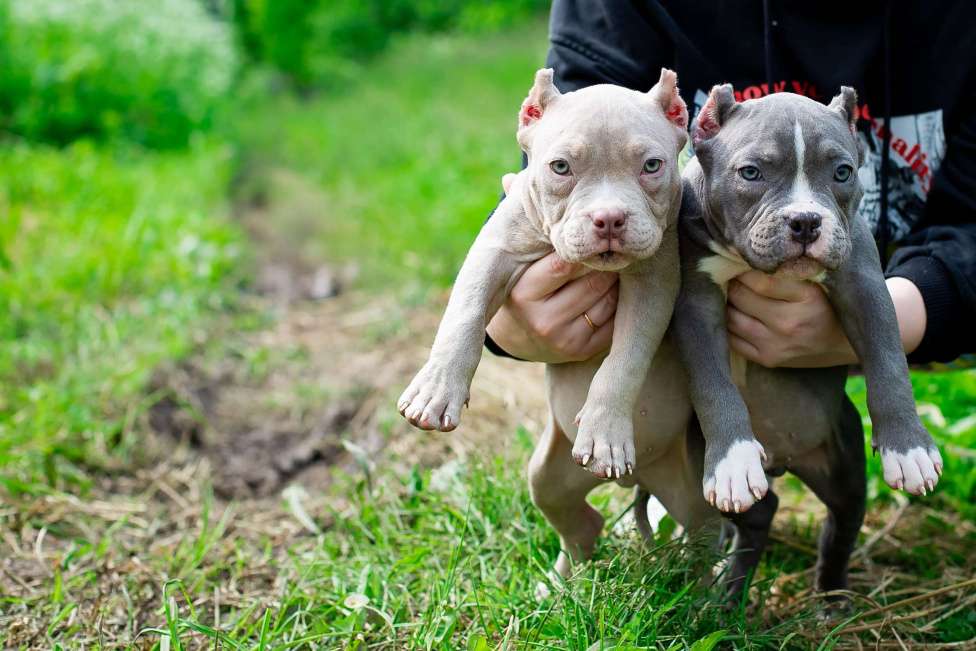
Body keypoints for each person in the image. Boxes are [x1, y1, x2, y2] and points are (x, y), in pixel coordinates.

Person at [486, 0, 976, 368]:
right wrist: (510, 316)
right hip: (688, 326)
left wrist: (897, 315)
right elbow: (562, 167)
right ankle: (674, 456)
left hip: (908, 297)